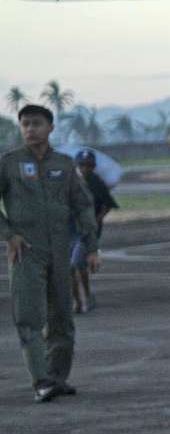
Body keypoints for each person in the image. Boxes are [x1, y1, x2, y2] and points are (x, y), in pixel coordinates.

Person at [1, 104, 101, 402]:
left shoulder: (64, 165)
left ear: (51, 128)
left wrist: (92, 247)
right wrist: (9, 235)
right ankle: (41, 380)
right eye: (25, 124)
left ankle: (57, 377)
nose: (30, 129)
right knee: (29, 317)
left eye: (36, 123)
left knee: (62, 318)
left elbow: (83, 206)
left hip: (60, 250)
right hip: (27, 252)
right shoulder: (9, 163)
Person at [70, 149, 117, 314]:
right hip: (70, 230)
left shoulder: (97, 182)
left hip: (89, 231)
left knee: (75, 263)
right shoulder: (70, 183)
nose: (85, 169)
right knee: (72, 268)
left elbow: (108, 204)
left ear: (94, 166)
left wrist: (97, 219)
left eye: (88, 165)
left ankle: (87, 297)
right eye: (82, 165)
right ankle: (77, 300)